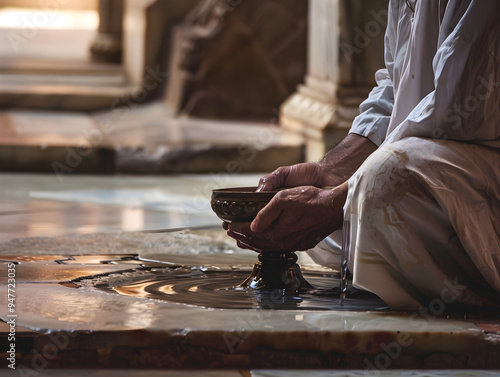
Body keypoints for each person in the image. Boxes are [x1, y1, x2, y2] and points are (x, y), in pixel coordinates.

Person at [224, 0, 500, 310]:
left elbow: (456, 111)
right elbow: (395, 89)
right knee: (327, 216)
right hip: (441, 161)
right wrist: (328, 172)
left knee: (382, 183)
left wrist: (335, 201)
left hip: (485, 173)